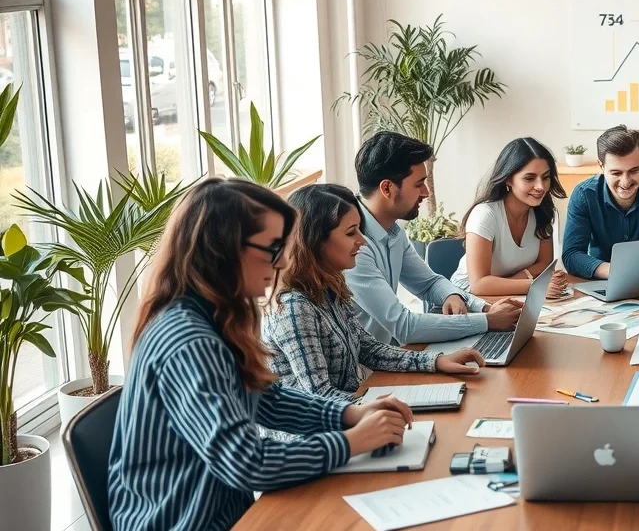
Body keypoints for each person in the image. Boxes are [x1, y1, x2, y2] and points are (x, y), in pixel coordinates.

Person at [108, 178, 415, 531]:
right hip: (183, 521)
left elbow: (266, 400)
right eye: (272, 248)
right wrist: (350, 442)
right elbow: (245, 463)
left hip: (223, 511)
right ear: (224, 250)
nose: (284, 259)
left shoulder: (219, 314)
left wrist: (349, 414)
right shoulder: (188, 339)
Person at [264, 184, 487, 403]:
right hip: (312, 434)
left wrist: (436, 362)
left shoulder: (330, 284)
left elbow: (367, 348)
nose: (362, 240)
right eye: (351, 232)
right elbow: (319, 396)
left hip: (347, 413)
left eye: (360, 229)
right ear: (315, 241)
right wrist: (377, 407)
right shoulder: (294, 306)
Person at [346, 132, 523, 346]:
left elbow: (429, 283)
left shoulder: (392, 231)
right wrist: (488, 321)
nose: (426, 193)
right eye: (419, 183)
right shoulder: (353, 246)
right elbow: (404, 326)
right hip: (362, 374)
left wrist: (481, 306)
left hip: (384, 360)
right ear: (387, 188)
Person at [451, 137, 569, 296]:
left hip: (513, 293)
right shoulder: (485, 215)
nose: (541, 187)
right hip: (468, 298)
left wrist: (519, 281)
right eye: (529, 178)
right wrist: (535, 285)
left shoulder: (543, 211)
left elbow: (544, 263)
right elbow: (479, 284)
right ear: (508, 179)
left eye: (546, 177)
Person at [562, 125, 639, 279]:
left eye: (634, 171)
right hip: (602, 280)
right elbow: (571, 255)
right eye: (616, 173)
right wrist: (615, 272)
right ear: (601, 166)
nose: (625, 182)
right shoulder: (584, 195)